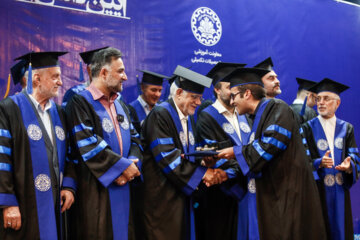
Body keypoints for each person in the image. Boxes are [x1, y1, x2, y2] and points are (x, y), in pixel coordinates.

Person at [217, 67, 327, 239]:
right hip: (276, 193)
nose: (232, 102)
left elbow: (270, 144)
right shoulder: (258, 116)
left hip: (288, 195)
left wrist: (234, 152)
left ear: (247, 94)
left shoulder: (277, 107)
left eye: (233, 96)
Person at [65, 47, 142, 239]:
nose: (125, 77)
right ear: (104, 73)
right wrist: (122, 167)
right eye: (120, 71)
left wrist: (132, 162)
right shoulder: (80, 102)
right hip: (96, 190)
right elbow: (87, 142)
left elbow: (135, 138)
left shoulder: (120, 104)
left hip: (124, 186)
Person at [0, 51, 75, 239]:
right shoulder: (8, 109)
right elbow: (1, 158)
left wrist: (68, 185)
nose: (60, 82)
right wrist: (8, 203)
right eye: (55, 76)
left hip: (56, 202)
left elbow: (70, 154)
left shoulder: (59, 112)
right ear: (37, 79)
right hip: (24, 203)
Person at [141, 65, 221, 240]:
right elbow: (167, 157)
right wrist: (202, 174)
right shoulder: (160, 114)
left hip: (180, 195)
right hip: (162, 198)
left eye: (200, 97)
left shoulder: (188, 117)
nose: (199, 102)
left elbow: (187, 154)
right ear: (178, 93)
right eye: (195, 97)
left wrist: (203, 162)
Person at [301, 78, 359, 240]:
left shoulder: (346, 128)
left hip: (340, 189)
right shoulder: (307, 128)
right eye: (318, 99)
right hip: (318, 188)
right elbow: (301, 160)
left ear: (337, 103)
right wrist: (318, 163)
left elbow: (354, 154)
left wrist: (350, 165)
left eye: (326, 99)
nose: (321, 103)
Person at [195, 62, 246, 240]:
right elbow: (217, 156)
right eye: (229, 86)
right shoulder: (207, 116)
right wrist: (248, 164)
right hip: (221, 193)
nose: (234, 91)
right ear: (217, 89)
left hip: (246, 189)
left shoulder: (243, 114)